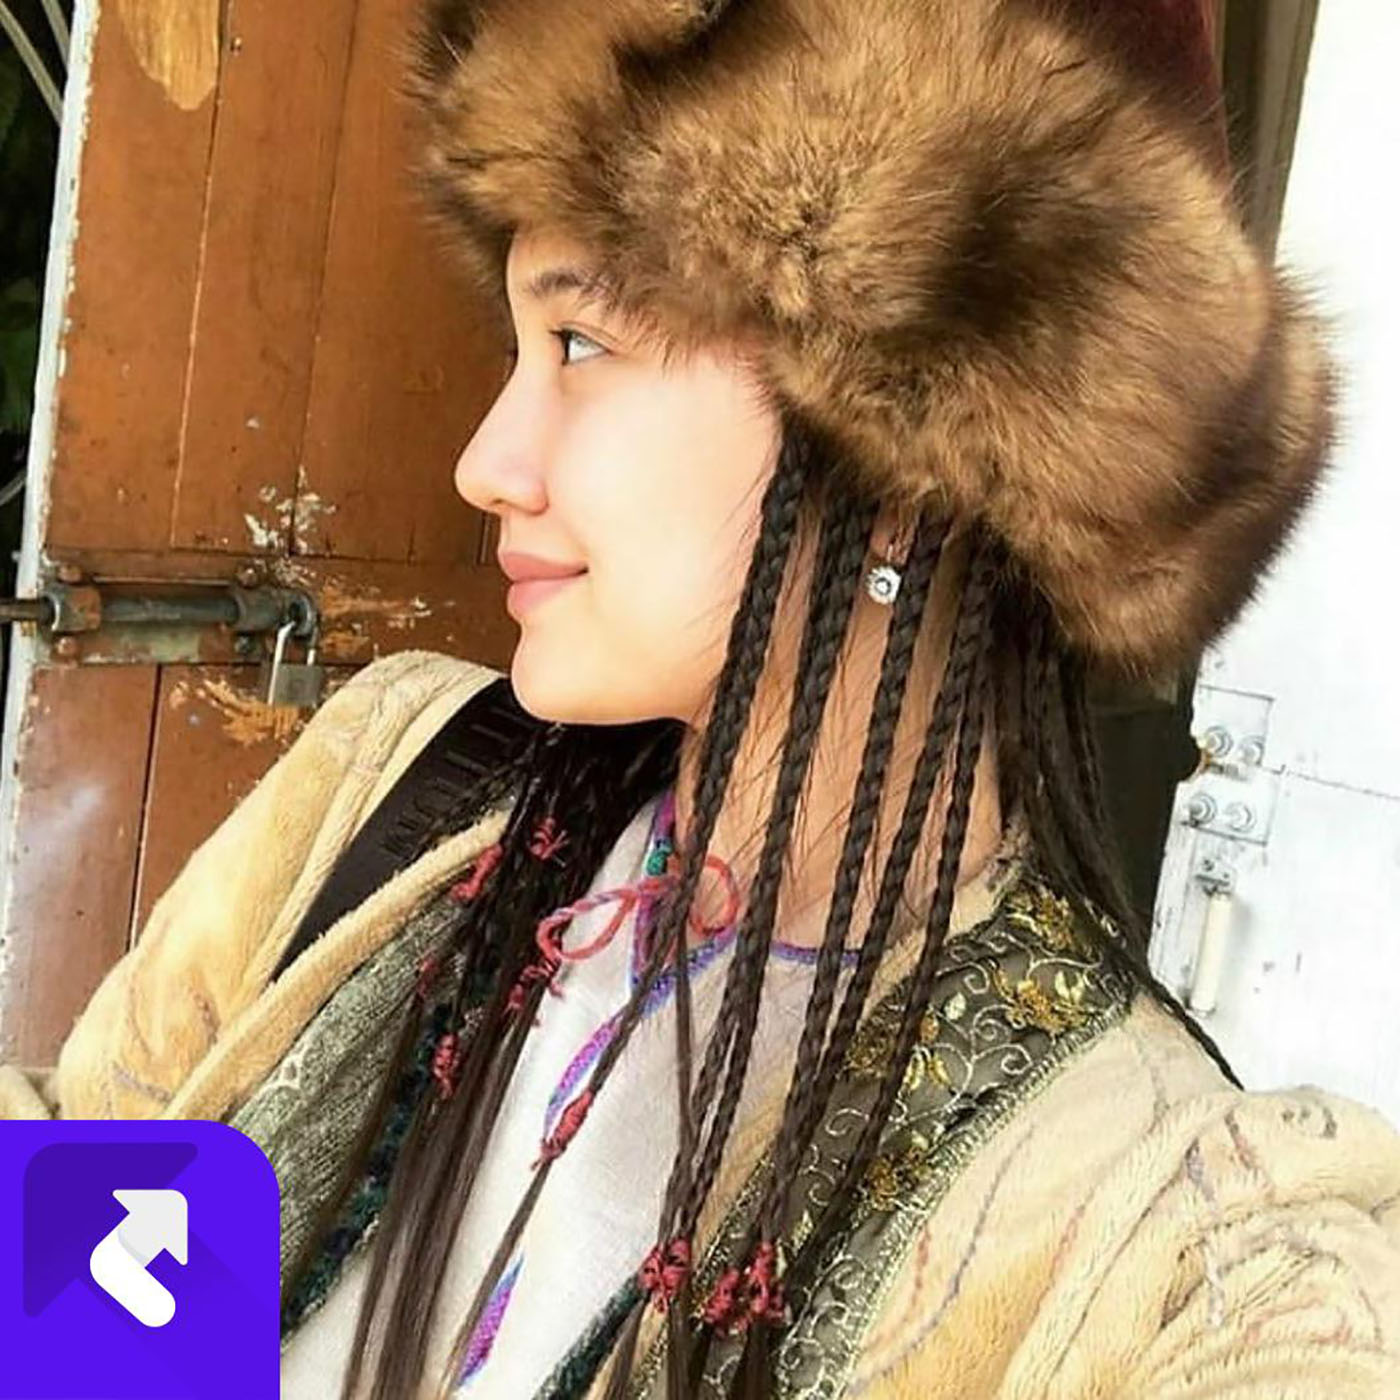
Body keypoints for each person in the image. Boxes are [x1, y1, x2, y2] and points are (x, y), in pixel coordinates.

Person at [5, 0, 1399, 1397]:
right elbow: (71, 1244)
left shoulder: (1165, 1219)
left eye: (581, 343)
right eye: (514, 348)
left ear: (908, 443)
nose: (485, 463)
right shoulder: (395, 777)